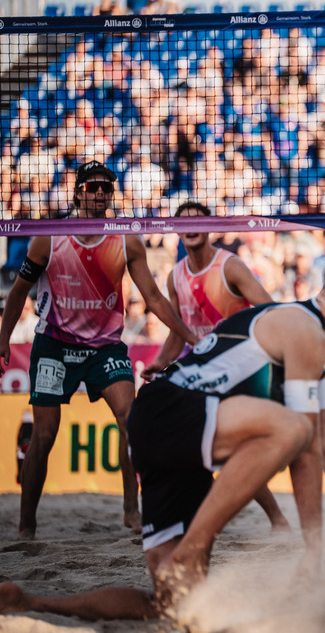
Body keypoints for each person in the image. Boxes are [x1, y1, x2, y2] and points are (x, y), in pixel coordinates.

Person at [0, 246, 325, 619]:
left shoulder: (320, 346)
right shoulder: (303, 328)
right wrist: (313, 550)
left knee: (173, 605)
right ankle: (193, 546)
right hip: (170, 411)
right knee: (292, 429)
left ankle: (30, 601)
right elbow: (308, 448)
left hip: (174, 432)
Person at [0, 161, 200, 540]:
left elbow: (154, 298)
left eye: (106, 188)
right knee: (44, 436)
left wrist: (188, 335)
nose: (100, 193)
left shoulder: (126, 238)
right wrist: (3, 337)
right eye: (92, 187)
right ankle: (27, 526)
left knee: (131, 421)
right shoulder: (49, 237)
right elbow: (18, 292)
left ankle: (130, 508)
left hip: (104, 348)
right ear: (78, 193)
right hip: (54, 345)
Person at [141, 201, 290, 531]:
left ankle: (277, 519)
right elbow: (178, 335)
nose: (191, 227)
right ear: (175, 230)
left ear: (209, 227)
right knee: (193, 445)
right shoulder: (175, 276)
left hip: (240, 369)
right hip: (203, 372)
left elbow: (271, 311)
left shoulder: (230, 266)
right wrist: (160, 364)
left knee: (235, 449)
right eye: (184, 222)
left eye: (198, 220)